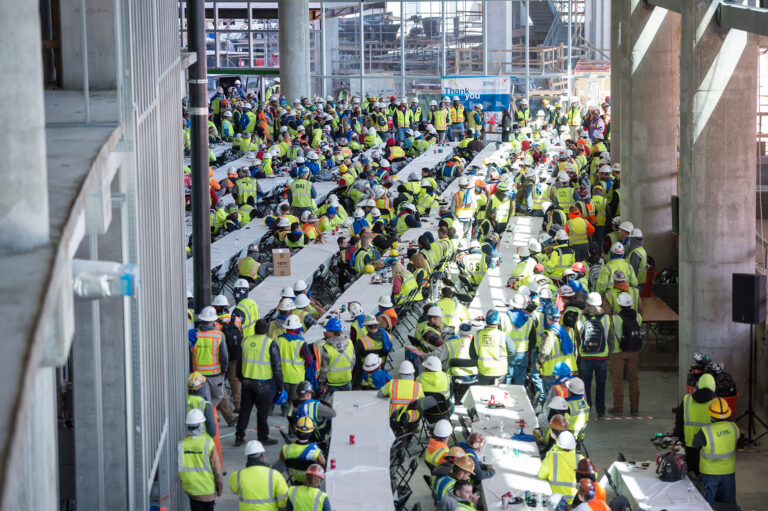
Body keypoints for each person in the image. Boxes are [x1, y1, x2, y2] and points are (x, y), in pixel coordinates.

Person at [235, 319, 282, 447]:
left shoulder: (245, 341)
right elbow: (277, 368)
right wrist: (280, 386)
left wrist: (240, 377)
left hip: (246, 382)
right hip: (264, 384)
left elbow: (239, 362)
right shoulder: (270, 343)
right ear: (266, 330)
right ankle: (263, 437)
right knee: (262, 412)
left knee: (244, 410)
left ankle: (239, 436)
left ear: (255, 329)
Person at [189, 306, 235, 426]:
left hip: (198, 375)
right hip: (215, 374)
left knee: (206, 399)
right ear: (213, 321)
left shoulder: (193, 335)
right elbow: (224, 356)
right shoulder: (218, 336)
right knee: (219, 396)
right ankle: (208, 414)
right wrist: (224, 370)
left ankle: (205, 415)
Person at [693, 398, 739, 505]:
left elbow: (695, 445)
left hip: (709, 473)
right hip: (728, 472)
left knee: (708, 504)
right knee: (729, 504)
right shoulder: (734, 427)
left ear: (711, 414)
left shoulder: (705, 431)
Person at [178, 409, 224, 511]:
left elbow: (179, 469)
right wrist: (220, 487)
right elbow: (217, 470)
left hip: (191, 490)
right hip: (208, 490)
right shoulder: (208, 444)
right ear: (201, 425)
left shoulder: (181, 445)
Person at [576, 292, 612, 419]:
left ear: (588, 303)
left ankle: (586, 409)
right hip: (602, 357)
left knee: (585, 384)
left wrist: (578, 354)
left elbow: (577, 338)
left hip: (585, 357)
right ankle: (600, 411)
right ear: (600, 303)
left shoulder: (581, 317)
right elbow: (610, 338)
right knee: (601, 385)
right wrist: (609, 353)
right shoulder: (607, 318)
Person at [673, 373, 715, 475]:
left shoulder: (687, 400)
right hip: (710, 445)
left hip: (690, 444)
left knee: (691, 473)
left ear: (698, 385)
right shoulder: (716, 403)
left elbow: (679, 422)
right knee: (707, 473)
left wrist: (682, 439)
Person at [608, 292, 642, 416]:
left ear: (619, 305)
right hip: (633, 351)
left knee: (618, 380)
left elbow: (611, 335)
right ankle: (634, 408)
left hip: (618, 353)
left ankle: (618, 407)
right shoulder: (638, 317)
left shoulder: (614, 318)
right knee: (633, 379)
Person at [229, 440, 289, 510]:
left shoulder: (238, 475)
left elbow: (234, 490)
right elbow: (284, 499)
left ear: (247, 458)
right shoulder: (274, 474)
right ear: (262, 456)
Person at [538, 304, 577, 397]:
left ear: (548, 317)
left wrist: (538, 364)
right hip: (568, 370)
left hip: (551, 372)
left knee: (551, 399)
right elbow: (575, 352)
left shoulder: (548, 334)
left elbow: (544, 354)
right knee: (566, 396)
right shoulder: (571, 331)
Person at [278, 315, 315, 414]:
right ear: (297, 328)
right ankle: (292, 416)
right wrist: (303, 367)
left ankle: (284, 412)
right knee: (295, 401)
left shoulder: (278, 340)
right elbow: (310, 361)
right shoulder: (301, 343)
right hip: (297, 377)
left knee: (284, 398)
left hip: (282, 375)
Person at [469, 310, 515, 385]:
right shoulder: (503, 336)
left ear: (486, 321)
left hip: (484, 370)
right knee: (499, 391)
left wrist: (479, 364)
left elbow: (472, 353)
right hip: (500, 371)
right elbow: (512, 351)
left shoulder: (477, 336)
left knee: (485, 392)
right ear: (498, 322)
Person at [377, 360, 425, 431]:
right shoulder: (418, 386)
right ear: (413, 373)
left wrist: (390, 396)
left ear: (399, 373)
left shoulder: (392, 383)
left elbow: (379, 394)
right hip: (412, 420)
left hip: (395, 420)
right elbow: (423, 402)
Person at [502, 293, 536, 385]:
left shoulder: (504, 318)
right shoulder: (529, 320)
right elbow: (533, 340)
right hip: (522, 353)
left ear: (512, 304)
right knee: (520, 376)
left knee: (508, 375)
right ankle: (519, 393)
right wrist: (529, 350)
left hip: (508, 351)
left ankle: (506, 392)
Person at [280, 417, 326, 484]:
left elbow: (282, 463)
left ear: (296, 430)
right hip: (311, 483)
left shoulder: (286, 449)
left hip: (295, 481)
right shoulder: (315, 450)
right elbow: (324, 466)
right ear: (310, 432)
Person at [538, 430, 583, 496]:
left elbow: (541, 475)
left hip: (556, 498)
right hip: (575, 499)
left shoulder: (552, 456)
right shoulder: (580, 459)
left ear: (558, 444)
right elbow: (592, 476)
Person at [319, 318, 355, 393]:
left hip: (332, 383)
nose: (325, 332)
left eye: (327, 330)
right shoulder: (350, 343)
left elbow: (324, 368)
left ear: (332, 332)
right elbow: (353, 361)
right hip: (346, 380)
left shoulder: (327, 348)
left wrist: (321, 382)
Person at [187, 372, 217, 439]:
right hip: (202, 438)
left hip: (186, 437)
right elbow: (211, 428)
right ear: (201, 386)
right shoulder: (205, 404)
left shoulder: (184, 401)